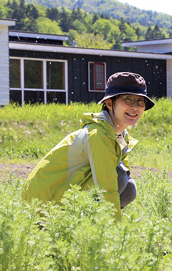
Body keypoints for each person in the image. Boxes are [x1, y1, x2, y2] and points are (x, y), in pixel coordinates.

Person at [22, 72, 154, 220]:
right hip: (44, 205)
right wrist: (116, 236)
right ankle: (83, 228)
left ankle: (90, 226)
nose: (134, 107)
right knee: (120, 179)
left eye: (140, 101)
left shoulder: (118, 136)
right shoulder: (99, 135)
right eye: (128, 100)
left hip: (61, 197)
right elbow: (107, 188)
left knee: (127, 184)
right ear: (110, 103)